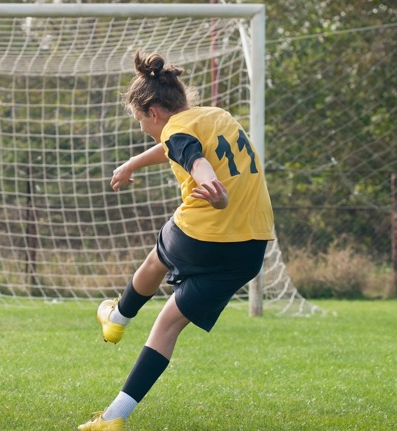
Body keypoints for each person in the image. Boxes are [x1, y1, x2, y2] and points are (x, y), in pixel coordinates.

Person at [77, 51, 274, 430]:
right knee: (168, 324)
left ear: (153, 111)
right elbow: (180, 146)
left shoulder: (174, 130)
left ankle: (117, 318)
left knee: (156, 259)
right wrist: (133, 163)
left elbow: (192, 157)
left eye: (140, 121)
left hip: (204, 233)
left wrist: (211, 188)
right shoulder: (218, 116)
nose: (142, 129)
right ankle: (113, 418)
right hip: (251, 248)